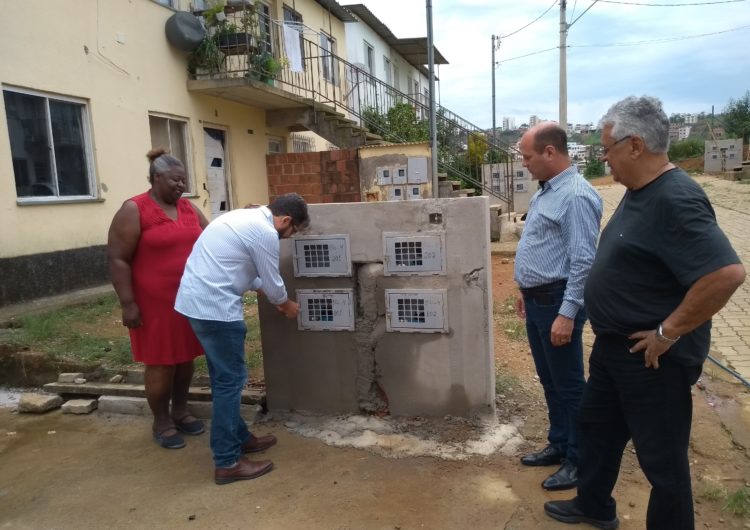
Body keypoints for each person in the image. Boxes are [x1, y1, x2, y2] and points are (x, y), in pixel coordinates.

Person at [544, 96, 746, 530]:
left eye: (607, 150)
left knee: (662, 461)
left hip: (652, 358)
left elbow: (727, 274)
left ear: (634, 145)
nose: (603, 159)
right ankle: (594, 506)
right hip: (616, 349)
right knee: (597, 430)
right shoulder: (640, 191)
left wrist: (668, 332)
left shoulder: (676, 198)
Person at [175, 192, 310, 485]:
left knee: (223, 378)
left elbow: (244, 272)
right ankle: (228, 462)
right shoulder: (264, 232)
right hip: (216, 310)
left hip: (195, 304)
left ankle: (240, 437)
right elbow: (272, 280)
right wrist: (286, 305)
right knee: (231, 381)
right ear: (285, 220)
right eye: (292, 232)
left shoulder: (240, 217)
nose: (288, 238)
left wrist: (273, 295)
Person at [514, 123, 603, 491]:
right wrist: (524, 287)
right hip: (538, 301)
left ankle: (580, 460)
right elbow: (544, 246)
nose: (524, 163)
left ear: (550, 152)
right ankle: (560, 442)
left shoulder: (576, 196)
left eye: (527, 156)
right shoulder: (547, 192)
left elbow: (583, 261)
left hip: (558, 303)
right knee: (550, 381)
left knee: (569, 386)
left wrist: (567, 313)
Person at [107, 148, 209, 450]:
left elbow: (212, 236)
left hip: (188, 299)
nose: (180, 186)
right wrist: (128, 303)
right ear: (156, 178)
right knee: (161, 363)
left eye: (183, 181)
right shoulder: (134, 209)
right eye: (174, 180)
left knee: (186, 359)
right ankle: (161, 420)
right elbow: (117, 259)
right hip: (153, 305)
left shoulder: (189, 208)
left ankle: (181, 410)